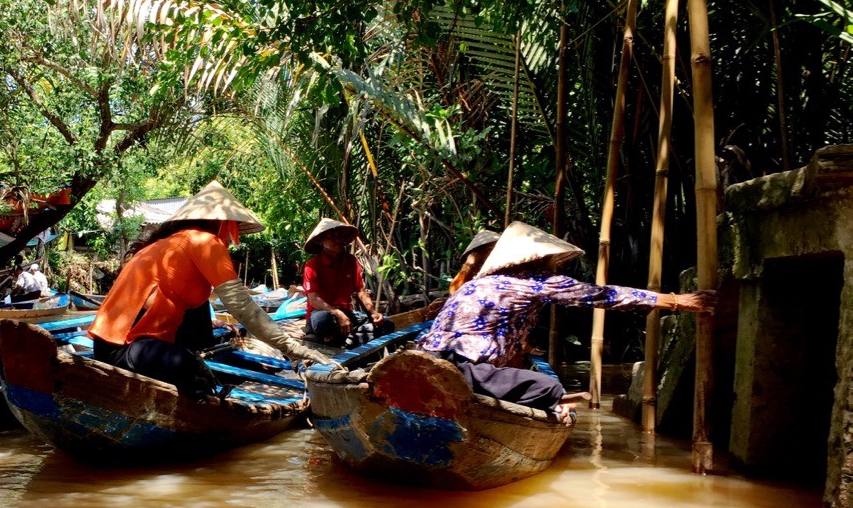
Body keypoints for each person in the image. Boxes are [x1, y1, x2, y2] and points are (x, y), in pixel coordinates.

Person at [415, 221, 714, 422]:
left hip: (424, 358)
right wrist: (676, 300)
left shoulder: (474, 284)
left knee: (514, 379)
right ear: (536, 259)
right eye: (551, 260)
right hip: (463, 369)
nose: (554, 264)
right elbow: (603, 295)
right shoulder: (534, 281)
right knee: (547, 387)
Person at [88, 181, 333, 399]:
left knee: (198, 315)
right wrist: (292, 347)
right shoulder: (205, 242)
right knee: (187, 365)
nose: (231, 238)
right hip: (128, 351)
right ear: (223, 225)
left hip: (107, 349)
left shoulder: (168, 243)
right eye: (232, 228)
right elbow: (241, 306)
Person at [301, 217, 393, 348]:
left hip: (347, 314)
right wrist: (338, 314)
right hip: (323, 314)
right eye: (331, 237)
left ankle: (346, 341)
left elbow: (361, 292)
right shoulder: (312, 265)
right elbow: (314, 300)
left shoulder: (351, 262)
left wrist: (373, 313)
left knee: (387, 325)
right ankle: (344, 338)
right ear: (320, 241)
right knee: (323, 320)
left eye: (340, 236)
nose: (337, 240)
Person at [423, 228, 499, 319]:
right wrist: (469, 265)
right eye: (487, 250)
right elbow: (454, 293)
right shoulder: (473, 273)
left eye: (491, 249)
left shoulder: (507, 269)